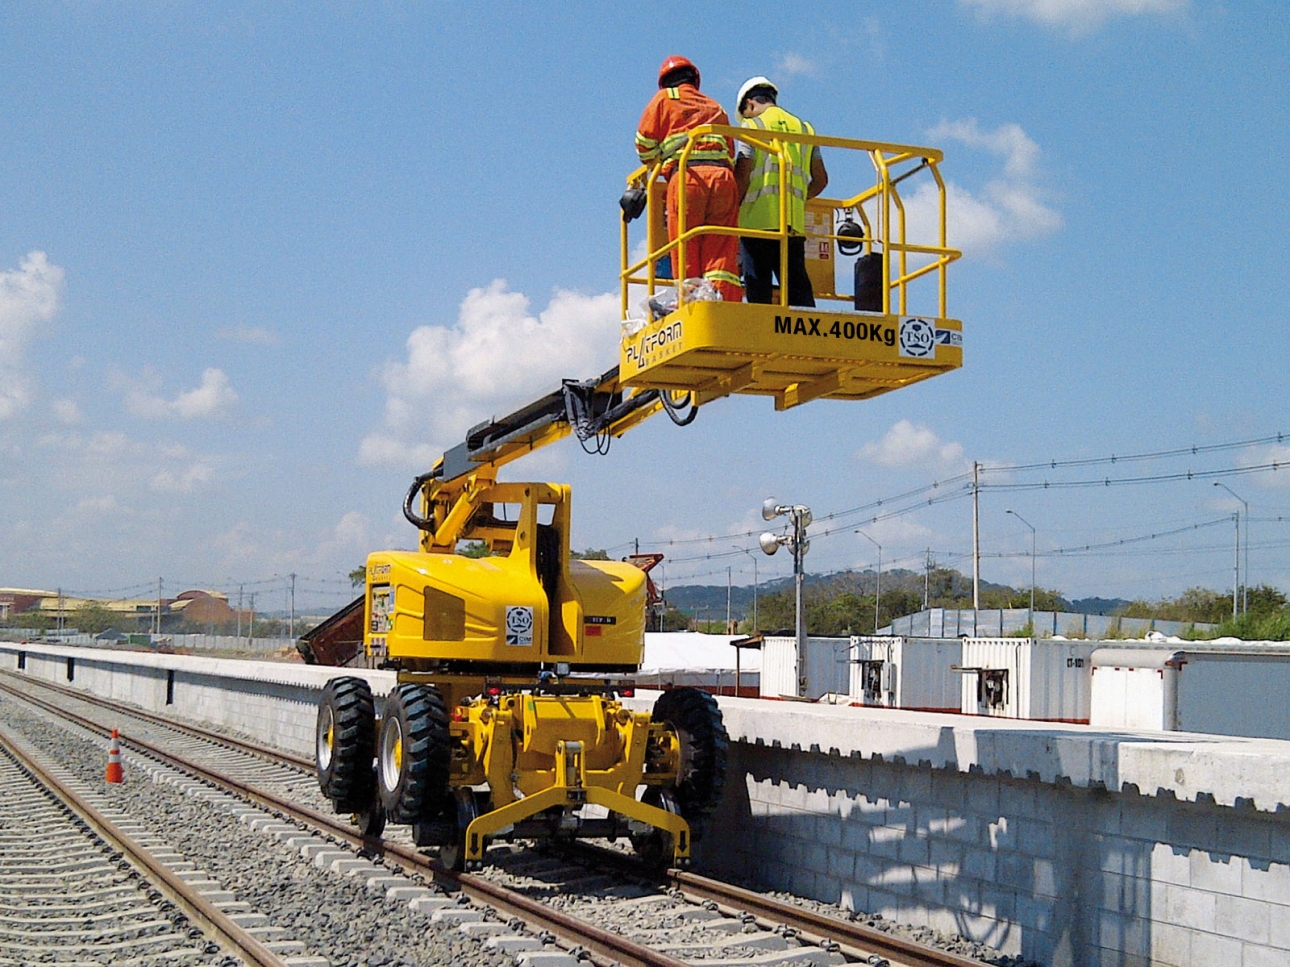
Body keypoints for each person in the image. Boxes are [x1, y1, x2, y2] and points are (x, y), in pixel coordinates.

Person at [635, 56, 743, 301]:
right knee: (721, 243)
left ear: (665, 83)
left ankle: (690, 300)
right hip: (723, 179)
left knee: (686, 243)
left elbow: (644, 146)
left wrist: (660, 163)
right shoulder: (715, 106)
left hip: (686, 178)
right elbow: (730, 151)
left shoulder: (664, 99)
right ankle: (721, 298)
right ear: (694, 79)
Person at [732, 76, 828, 307]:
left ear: (750, 105)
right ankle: (807, 336)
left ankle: (759, 336)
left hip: (756, 222)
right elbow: (821, 180)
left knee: (758, 287)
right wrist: (795, 200)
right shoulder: (805, 128)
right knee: (797, 287)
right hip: (792, 224)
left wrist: (731, 207)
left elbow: (743, 174)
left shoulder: (752, 126)